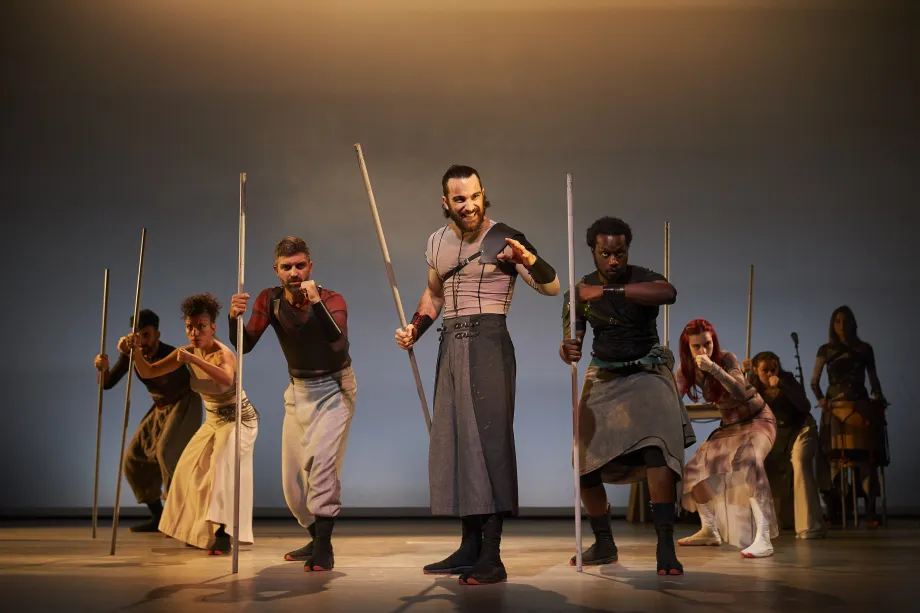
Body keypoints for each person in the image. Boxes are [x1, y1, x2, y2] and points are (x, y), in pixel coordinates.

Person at [395, 164, 559, 585]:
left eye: (474, 196)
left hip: (488, 344)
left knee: (488, 445)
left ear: (484, 194)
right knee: (456, 444)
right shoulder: (437, 241)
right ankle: (469, 547)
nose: (469, 205)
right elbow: (434, 295)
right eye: (460, 199)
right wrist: (415, 328)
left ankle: (491, 555)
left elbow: (552, 286)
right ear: (445, 203)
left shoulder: (505, 238)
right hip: (450, 344)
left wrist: (528, 259)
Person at [559, 216, 693, 576]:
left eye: (619, 253)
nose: (614, 261)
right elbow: (572, 338)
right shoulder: (580, 291)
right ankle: (604, 543)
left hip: (646, 372)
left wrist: (608, 292)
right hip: (604, 376)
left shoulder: (642, 278)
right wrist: (568, 349)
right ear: (593, 252)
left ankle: (665, 543)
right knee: (583, 461)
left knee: (656, 450)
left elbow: (668, 293)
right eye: (606, 254)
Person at [229, 236, 354, 571]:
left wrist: (316, 304)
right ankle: (316, 536)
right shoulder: (270, 299)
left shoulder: (331, 299)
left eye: (300, 266)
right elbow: (245, 345)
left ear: (310, 267)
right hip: (298, 392)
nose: (294, 273)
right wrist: (233, 318)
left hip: (334, 389)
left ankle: (324, 548)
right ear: (277, 270)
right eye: (287, 267)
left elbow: (338, 345)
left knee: (320, 466)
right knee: (292, 487)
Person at [132, 294, 258, 555]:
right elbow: (149, 371)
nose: (194, 333)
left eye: (201, 327)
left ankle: (223, 534)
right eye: (190, 327)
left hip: (238, 420)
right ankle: (197, 531)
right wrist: (134, 351)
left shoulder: (223, 354)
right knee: (187, 470)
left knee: (221, 469)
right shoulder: (186, 352)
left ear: (212, 328)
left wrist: (195, 361)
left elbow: (226, 379)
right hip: (213, 420)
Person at [676, 319, 778, 558]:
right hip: (730, 427)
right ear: (688, 348)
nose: (703, 350)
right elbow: (673, 395)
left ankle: (763, 538)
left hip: (758, 419)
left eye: (707, 344)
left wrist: (713, 368)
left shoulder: (726, 359)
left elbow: (739, 392)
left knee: (749, 461)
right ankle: (709, 530)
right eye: (696, 346)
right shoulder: (686, 369)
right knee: (693, 472)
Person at [94, 309, 202, 532]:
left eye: (146, 335)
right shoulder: (133, 354)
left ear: (157, 335)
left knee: (166, 452)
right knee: (134, 459)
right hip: (160, 407)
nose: (142, 341)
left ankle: (179, 516)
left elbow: (153, 373)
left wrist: (133, 355)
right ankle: (159, 517)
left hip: (184, 403)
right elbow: (107, 383)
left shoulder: (170, 353)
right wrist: (102, 369)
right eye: (137, 336)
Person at [811, 305, 888, 527]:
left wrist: (878, 399)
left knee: (867, 458)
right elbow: (814, 381)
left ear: (853, 323)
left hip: (859, 405)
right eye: (837, 321)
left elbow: (873, 379)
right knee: (831, 458)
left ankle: (870, 510)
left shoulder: (864, 349)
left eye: (846, 321)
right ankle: (835, 509)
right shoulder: (826, 349)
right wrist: (821, 399)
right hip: (834, 408)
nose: (842, 325)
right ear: (832, 325)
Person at [744, 351, 825, 539]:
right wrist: (741, 374)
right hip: (775, 435)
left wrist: (782, 385)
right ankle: (768, 524)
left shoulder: (787, 380)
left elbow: (804, 405)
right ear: (755, 370)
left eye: (774, 369)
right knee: (757, 466)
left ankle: (810, 527)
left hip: (800, 430)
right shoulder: (753, 387)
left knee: (800, 462)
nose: (770, 373)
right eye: (765, 370)